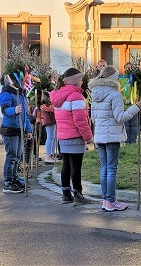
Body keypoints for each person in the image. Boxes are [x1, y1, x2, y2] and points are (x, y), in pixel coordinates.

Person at [89, 66, 141, 212]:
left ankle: (106, 200)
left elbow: (93, 118)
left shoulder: (94, 94)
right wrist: (135, 107)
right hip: (112, 135)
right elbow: (120, 117)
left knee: (104, 168)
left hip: (100, 135)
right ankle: (111, 200)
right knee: (111, 168)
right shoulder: (114, 94)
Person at [50, 67, 93, 205]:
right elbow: (80, 121)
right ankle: (78, 194)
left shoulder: (58, 95)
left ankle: (66, 194)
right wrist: (88, 137)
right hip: (75, 136)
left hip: (63, 137)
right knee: (76, 167)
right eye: (80, 79)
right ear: (74, 81)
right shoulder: (76, 96)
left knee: (66, 165)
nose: (82, 82)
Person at [0, 71, 33, 193]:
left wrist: (28, 129)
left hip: (19, 129)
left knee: (18, 156)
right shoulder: (6, 93)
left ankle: (14, 178)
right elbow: (5, 109)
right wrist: (14, 110)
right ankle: (8, 182)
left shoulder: (21, 95)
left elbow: (25, 115)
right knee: (12, 156)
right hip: (10, 129)